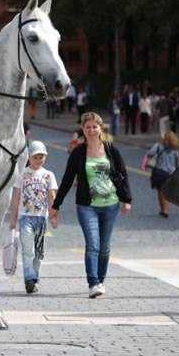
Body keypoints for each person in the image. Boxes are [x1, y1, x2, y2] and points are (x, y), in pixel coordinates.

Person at [51, 112, 132, 298]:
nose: (91, 130)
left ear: (100, 128)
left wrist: (127, 199)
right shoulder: (78, 152)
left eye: (94, 126)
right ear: (83, 129)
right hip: (87, 206)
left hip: (111, 205)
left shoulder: (111, 149)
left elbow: (123, 174)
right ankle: (93, 283)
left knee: (105, 247)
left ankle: (101, 280)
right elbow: (67, 180)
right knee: (93, 244)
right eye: (87, 127)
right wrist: (56, 205)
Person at [8, 141, 59, 294]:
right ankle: (29, 279)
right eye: (36, 157)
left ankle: (34, 276)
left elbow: (52, 197)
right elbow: (16, 197)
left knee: (38, 252)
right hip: (25, 217)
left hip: (42, 218)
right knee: (27, 249)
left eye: (42, 157)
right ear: (29, 157)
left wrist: (54, 216)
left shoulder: (49, 175)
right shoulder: (22, 174)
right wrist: (13, 217)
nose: (39, 160)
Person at [144, 131, 179, 218]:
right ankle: (165, 209)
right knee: (166, 192)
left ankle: (163, 209)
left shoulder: (158, 146)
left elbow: (149, 154)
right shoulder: (175, 151)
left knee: (160, 191)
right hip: (170, 174)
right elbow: (177, 163)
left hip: (159, 172)